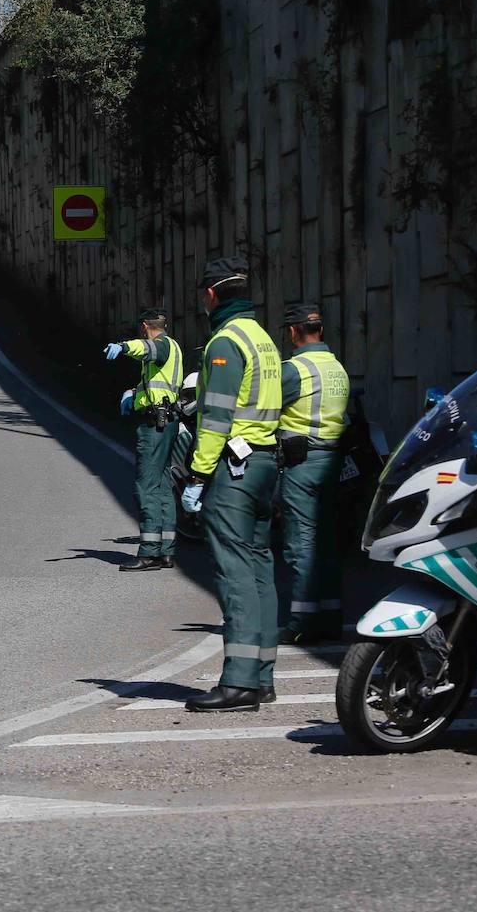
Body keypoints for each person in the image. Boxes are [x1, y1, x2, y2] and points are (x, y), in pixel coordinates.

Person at [179, 256, 283, 713]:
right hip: (264, 464)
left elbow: (216, 417)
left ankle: (239, 684)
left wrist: (198, 474)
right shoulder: (262, 338)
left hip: (232, 471)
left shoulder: (224, 343)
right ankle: (260, 678)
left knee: (234, 572)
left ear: (210, 295)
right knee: (259, 570)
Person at [277, 303, 350, 643]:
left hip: (302, 464)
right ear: (320, 330)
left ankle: (302, 621)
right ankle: (331, 616)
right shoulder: (337, 367)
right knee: (327, 542)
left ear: (293, 332)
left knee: (300, 543)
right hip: (331, 460)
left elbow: (264, 407)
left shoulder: (295, 369)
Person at [104, 307, 184, 570]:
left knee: (146, 486)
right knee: (161, 485)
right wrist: (135, 394)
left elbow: (149, 350)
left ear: (145, 327)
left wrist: (123, 346)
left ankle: (149, 552)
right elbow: (156, 386)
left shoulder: (161, 346)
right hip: (166, 421)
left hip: (154, 426)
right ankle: (166, 550)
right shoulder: (174, 347)